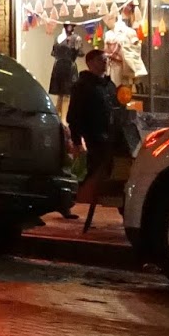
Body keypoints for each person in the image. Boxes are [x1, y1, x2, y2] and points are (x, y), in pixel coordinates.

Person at [66, 49, 119, 210]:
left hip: (111, 135)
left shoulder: (110, 85)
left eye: (106, 60)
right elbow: (74, 115)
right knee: (93, 168)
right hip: (94, 135)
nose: (104, 63)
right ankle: (76, 197)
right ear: (90, 63)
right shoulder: (82, 86)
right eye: (100, 60)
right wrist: (77, 141)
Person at [48, 23, 83, 115]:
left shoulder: (76, 38)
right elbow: (54, 52)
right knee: (59, 94)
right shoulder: (58, 37)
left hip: (69, 67)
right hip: (59, 66)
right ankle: (57, 115)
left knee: (67, 93)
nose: (69, 27)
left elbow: (80, 53)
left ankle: (64, 117)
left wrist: (75, 46)